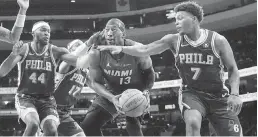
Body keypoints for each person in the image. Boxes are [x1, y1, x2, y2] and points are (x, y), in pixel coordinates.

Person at [97, 1, 243, 136]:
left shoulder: (217, 40)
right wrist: (121, 48)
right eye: (175, 19)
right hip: (192, 93)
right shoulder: (174, 40)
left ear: (194, 19)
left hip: (218, 95)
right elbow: (145, 49)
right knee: (192, 123)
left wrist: (235, 94)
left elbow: (232, 69)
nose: (176, 22)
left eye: (180, 18)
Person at [0, 21, 95, 136]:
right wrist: (13, 54)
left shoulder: (56, 51)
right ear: (33, 33)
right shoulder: (24, 49)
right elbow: (2, 72)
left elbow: (79, 61)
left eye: (48, 31)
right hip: (26, 97)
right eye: (43, 30)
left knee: (51, 130)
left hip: (47, 100)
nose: (47, 33)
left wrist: (98, 52)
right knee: (33, 124)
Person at [80, 18, 155, 136]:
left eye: (113, 30)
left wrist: (145, 91)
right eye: (106, 30)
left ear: (123, 34)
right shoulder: (96, 53)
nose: (109, 33)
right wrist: (112, 98)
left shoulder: (137, 48)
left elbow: (149, 74)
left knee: (133, 123)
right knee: (88, 126)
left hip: (135, 90)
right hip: (112, 91)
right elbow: (95, 82)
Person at [54, 39, 88, 137]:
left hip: (64, 113)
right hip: (49, 108)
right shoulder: (65, 64)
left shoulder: (85, 70)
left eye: (81, 45)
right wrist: (86, 45)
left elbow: (96, 84)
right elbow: (74, 57)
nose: (80, 47)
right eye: (76, 46)